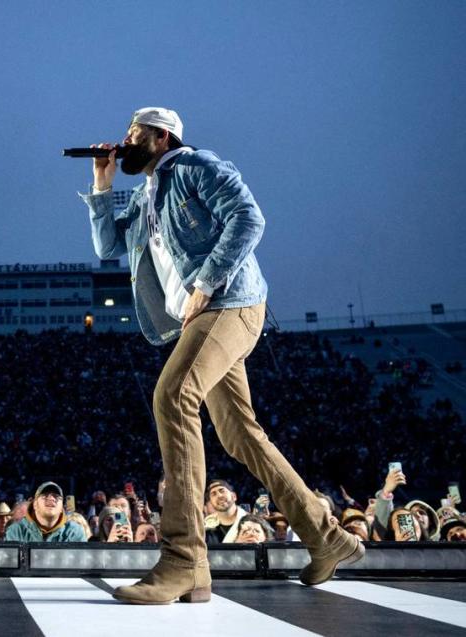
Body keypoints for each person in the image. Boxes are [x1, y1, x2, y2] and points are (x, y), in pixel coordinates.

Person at [82, 107, 363, 605]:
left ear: (161, 136)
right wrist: (102, 184)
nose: (124, 140)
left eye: (134, 133)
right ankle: (327, 537)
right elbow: (107, 247)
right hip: (201, 321)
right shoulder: (148, 195)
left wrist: (206, 284)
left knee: (172, 397)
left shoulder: (194, 166)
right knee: (240, 434)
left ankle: (184, 559)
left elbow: (248, 218)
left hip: (229, 304)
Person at [3, 482, 86, 542]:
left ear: (62, 507)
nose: (51, 498)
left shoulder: (73, 532)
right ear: (35, 504)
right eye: (45, 496)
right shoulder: (17, 530)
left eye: (56, 497)